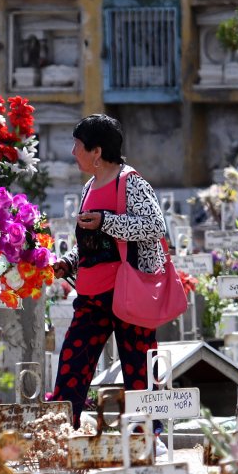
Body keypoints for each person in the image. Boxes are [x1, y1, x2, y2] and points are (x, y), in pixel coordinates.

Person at [51, 114, 169, 428]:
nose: (73, 152)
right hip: (91, 297)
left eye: (78, 146)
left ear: (97, 152)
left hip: (128, 293)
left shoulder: (131, 182)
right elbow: (94, 243)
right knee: (72, 367)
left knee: (139, 370)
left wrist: (107, 221)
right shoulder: (89, 186)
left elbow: (155, 226)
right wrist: (70, 263)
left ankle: (150, 437)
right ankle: (62, 434)